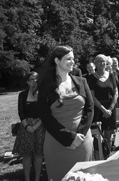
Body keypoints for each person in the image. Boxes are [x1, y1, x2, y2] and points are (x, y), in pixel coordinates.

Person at [38, 45, 94, 181]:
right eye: (68, 58)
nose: (73, 61)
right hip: (57, 142)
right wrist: (68, 138)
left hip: (82, 141)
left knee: (85, 177)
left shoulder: (82, 82)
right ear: (57, 61)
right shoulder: (45, 86)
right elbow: (45, 117)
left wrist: (78, 135)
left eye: (73, 58)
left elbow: (90, 109)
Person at [12, 71, 44, 181]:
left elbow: (44, 112)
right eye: (32, 79)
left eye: (36, 79)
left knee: (38, 154)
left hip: (39, 126)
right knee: (26, 155)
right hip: (26, 127)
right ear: (27, 81)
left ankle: (37, 178)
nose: (34, 81)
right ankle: (27, 179)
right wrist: (27, 126)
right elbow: (21, 112)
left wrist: (36, 126)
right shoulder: (22, 95)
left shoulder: (42, 94)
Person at [87, 54, 118, 144]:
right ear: (95, 64)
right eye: (99, 61)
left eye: (103, 61)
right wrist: (103, 110)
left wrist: (110, 109)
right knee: (98, 138)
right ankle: (99, 156)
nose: (101, 63)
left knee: (109, 136)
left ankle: (108, 155)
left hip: (110, 109)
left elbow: (116, 93)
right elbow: (92, 96)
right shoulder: (91, 78)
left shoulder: (111, 76)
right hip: (98, 109)